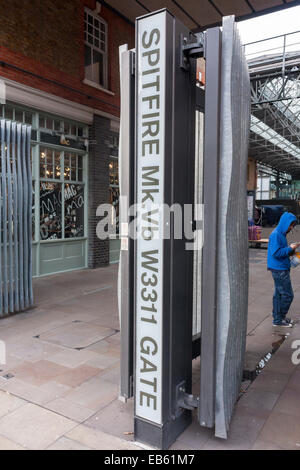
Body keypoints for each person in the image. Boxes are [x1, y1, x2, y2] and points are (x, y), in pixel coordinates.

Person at [267, 212, 300, 327]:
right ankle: (278, 318)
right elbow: (276, 253)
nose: (291, 228)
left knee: (279, 295)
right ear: (285, 223)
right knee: (287, 295)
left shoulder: (280, 234)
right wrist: (289, 248)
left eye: (293, 226)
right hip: (279, 269)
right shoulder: (276, 235)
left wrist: (292, 250)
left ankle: (278, 317)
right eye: (291, 225)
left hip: (279, 268)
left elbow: (280, 251)